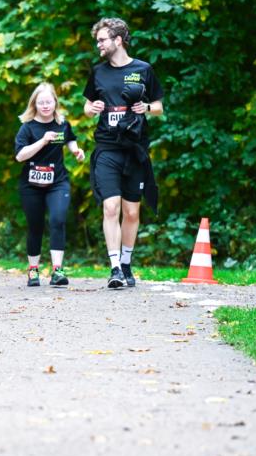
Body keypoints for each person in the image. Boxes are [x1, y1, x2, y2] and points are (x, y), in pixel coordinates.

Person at [83, 17, 164, 289]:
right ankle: (115, 267)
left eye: (103, 40)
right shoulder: (98, 72)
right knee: (110, 207)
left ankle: (127, 263)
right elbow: (86, 106)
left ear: (118, 40)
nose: (99, 45)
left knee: (131, 212)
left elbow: (159, 107)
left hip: (135, 148)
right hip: (107, 147)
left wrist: (147, 109)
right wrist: (91, 108)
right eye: (98, 41)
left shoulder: (143, 69)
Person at [14, 83, 85, 287]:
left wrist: (76, 150)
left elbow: (70, 139)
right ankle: (33, 271)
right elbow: (20, 156)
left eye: (49, 101)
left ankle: (57, 271)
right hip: (31, 185)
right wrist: (43, 141)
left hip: (58, 182)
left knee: (58, 220)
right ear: (34, 104)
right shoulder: (27, 127)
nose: (45, 106)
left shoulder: (62, 123)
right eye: (41, 102)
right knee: (35, 226)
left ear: (55, 102)